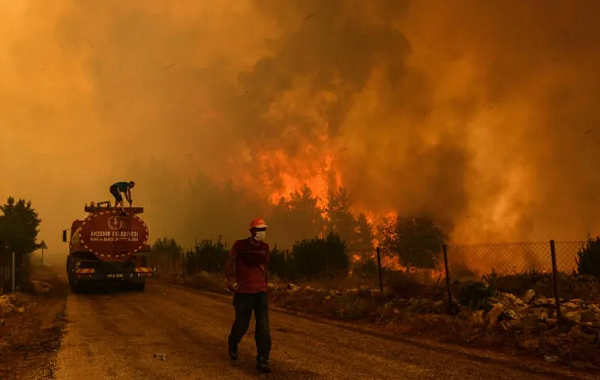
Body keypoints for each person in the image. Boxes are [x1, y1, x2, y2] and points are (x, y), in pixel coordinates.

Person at [224, 218, 272, 373]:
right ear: (252, 231)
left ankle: (263, 360)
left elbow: (264, 269)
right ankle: (233, 342)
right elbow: (229, 263)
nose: (261, 233)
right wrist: (231, 280)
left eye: (263, 230)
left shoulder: (265, 248)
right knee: (242, 324)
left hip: (260, 293)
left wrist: (266, 286)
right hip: (244, 293)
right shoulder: (240, 246)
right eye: (259, 229)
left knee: (263, 328)